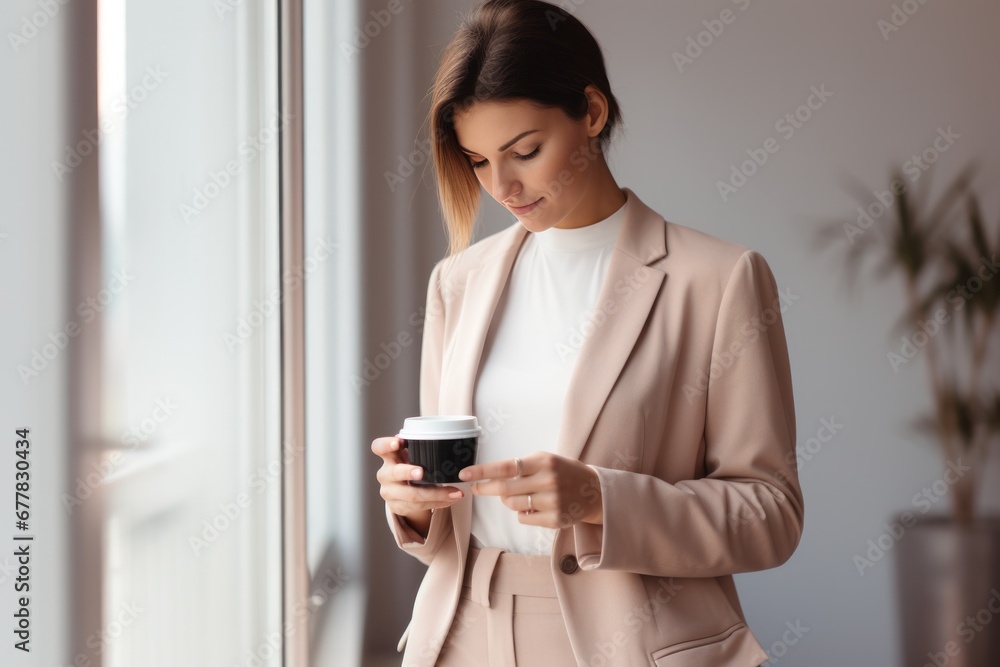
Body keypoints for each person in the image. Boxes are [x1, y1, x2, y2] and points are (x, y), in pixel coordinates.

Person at [371, 1, 803, 665]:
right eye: (479, 161)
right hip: (460, 634)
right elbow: (450, 520)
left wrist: (601, 498)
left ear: (592, 113)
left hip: (630, 640)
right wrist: (416, 505)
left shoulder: (717, 280)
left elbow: (770, 514)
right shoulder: (457, 283)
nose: (503, 186)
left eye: (526, 151)